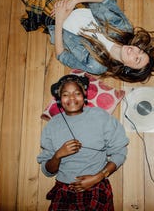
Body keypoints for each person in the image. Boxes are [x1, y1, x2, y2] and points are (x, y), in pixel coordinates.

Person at [3, 0, 154, 83]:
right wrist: (74, 1)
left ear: (128, 69)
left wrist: (59, 20)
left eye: (136, 59)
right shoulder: (124, 29)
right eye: (140, 51)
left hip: (50, 14)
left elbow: (62, 55)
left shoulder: (97, 66)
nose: (135, 51)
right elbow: (106, 0)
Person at [37, 74, 129, 210]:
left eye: (77, 93)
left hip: (96, 188)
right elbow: (47, 170)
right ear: (59, 99)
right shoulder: (52, 126)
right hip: (63, 191)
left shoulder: (100, 116)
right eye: (66, 94)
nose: (72, 98)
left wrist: (98, 177)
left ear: (84, 95)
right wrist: (58, 155)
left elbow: (120, 152)